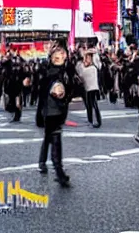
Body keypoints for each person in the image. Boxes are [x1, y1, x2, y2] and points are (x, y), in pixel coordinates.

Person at [38, 40, 72, 186]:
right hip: (51, 110)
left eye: (62, 56)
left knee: (49, 136)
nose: (60, 59)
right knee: (55, 137)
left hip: (57, 109)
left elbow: (71, 88)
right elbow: (41, 87)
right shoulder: (48, 71)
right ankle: (59, 171)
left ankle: (42, 161)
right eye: (56, 57)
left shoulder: (64, 71)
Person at [76, 49, 102, 128]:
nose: (86, 60)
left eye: (88, 58)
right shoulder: (90, 68)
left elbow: (80, 73)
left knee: (92, 105)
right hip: (91, 88)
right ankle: (94, 120)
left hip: (91, 89)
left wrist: (87, 53)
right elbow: (79, 70)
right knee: (92, 105)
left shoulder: (92, 67)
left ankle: (94, 120)